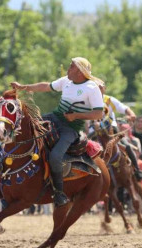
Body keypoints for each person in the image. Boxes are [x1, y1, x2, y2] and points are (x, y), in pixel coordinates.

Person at [11, 57, 104, 207]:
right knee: (24, 129)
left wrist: (76, 116)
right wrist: (23, 87)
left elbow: (98, 114)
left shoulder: (91, 88)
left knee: (55, 156)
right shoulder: (66, 81)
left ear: (80, 71)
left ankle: (59, 193)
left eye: (71, 66)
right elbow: (46, 86)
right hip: (54, 118)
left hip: (71, 128)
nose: (68, 68)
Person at [96, 80, 142, 180]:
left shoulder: (108, 100)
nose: (99, 89)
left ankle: (137, 171)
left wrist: (131, 114)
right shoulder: (88, 101)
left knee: (126, 146)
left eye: (101, 87)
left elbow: (122, 108)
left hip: (111, 130)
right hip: (95, 131)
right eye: (96, 87)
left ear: (104, 88)